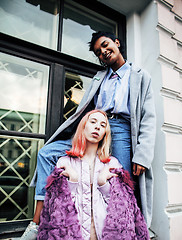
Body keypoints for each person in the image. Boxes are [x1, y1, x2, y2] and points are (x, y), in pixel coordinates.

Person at [20, 31, 156, 240]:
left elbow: (148, 116)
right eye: (99, 52)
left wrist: (143, 155)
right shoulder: (100, 77)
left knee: (123, 185)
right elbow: (86, 107)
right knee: (47, 153)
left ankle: (131, 233)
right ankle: (38, 223)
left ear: (117, 43)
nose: (103, 52)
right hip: (94, 124)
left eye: (105, 45)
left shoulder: (139, 75)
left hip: (121, 129)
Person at [37, 110, 149, 239]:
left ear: (105, 134)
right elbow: (56, 210)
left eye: (103, 125)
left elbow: (121, 210)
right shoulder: (65, 162)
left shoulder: (112, 164)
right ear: (83, 126)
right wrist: (71, 182)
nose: (97, 127)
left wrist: (103, 184)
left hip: (102, 235)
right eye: (93, 122)